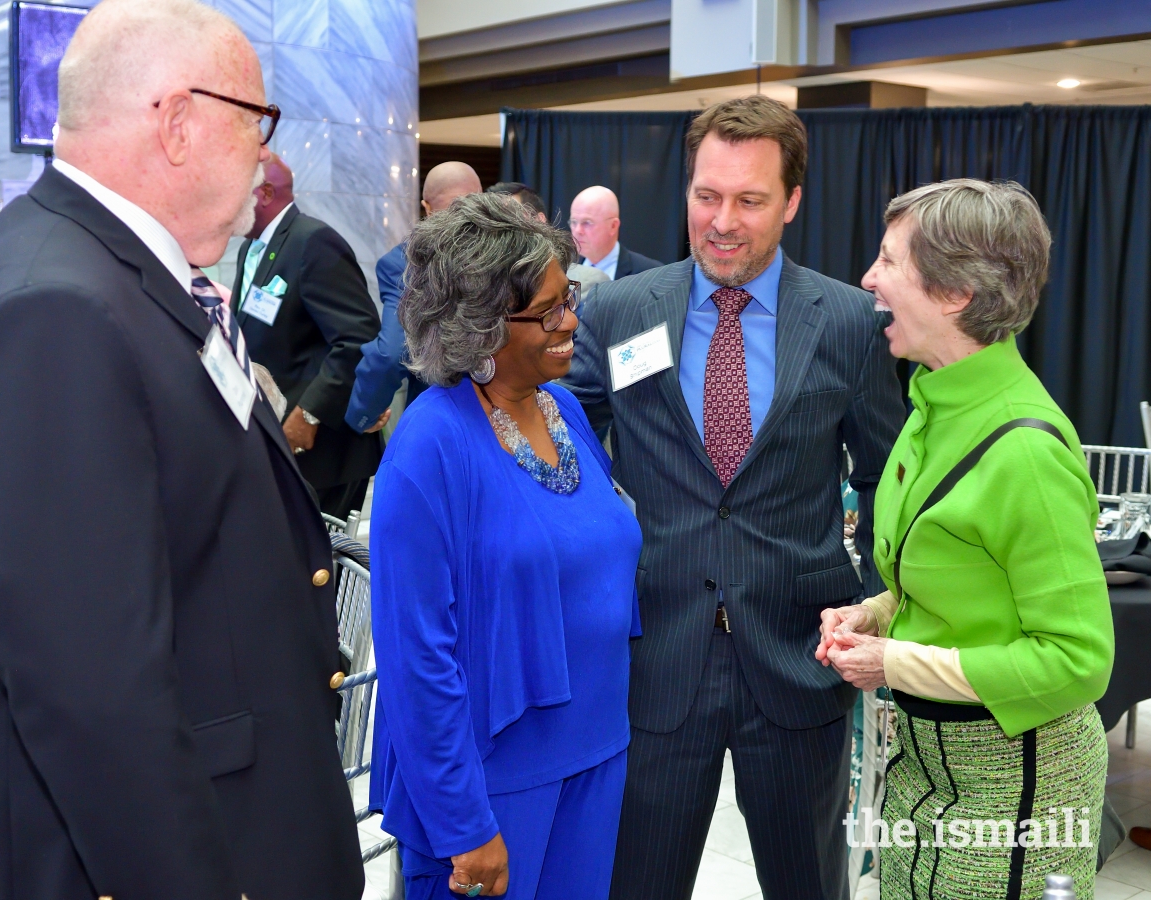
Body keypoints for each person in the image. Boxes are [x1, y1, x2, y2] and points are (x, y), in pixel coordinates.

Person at [0, 1, 363, 897]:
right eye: (257, 124)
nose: (268, 158)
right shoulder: (56, 310)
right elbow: (91, 695)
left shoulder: (105, 276)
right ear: (179, 124)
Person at [561, 95, 906, 900]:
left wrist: (876, 603)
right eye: (706, 195)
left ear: (790, 202)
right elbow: (560, 442)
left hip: (798, 660)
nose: (723, 221)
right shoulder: (616, 313)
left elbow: (885, 474)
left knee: (808, 883)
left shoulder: (850, 322)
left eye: (750, 200)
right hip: (655, 658)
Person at [818, 179, 1114, 897]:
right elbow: (950, 572)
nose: (868, 279)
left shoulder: (1025, 450)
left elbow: (1078, 661)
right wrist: (876, 614)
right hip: (925, 764)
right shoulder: (933, 403)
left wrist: (896, 663)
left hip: (1017, 783)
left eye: (889, 260)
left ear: (954, 294)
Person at [369, 192, 642, 899]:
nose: (570, 320)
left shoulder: (567, 408)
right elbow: (416, 657)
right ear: (480, 328)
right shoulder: (429, 447)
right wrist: (464, 824)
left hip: (596, 755)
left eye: (568, 296)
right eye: (548, 310)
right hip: (492, 789)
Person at [227, 156, 382, 520]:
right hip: (277, 442)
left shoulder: (313, 241)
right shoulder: (252, 247)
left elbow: (357, 339)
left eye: (235, 187)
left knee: (322, 570)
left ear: (265, 193)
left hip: (323, 451)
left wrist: (308, 415)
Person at [344, 161, 482, 434]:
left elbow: (392, 351)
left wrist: (363, 413)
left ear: (427, 207)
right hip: (519, 409)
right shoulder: (515, 249)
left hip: (445, 420)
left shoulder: (406, 263)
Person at [569, 185, 661, 281]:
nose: (577, 230)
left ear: (613, 226)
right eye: (574, 222)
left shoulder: (648, 273)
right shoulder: (564, 269)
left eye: (587, 223)